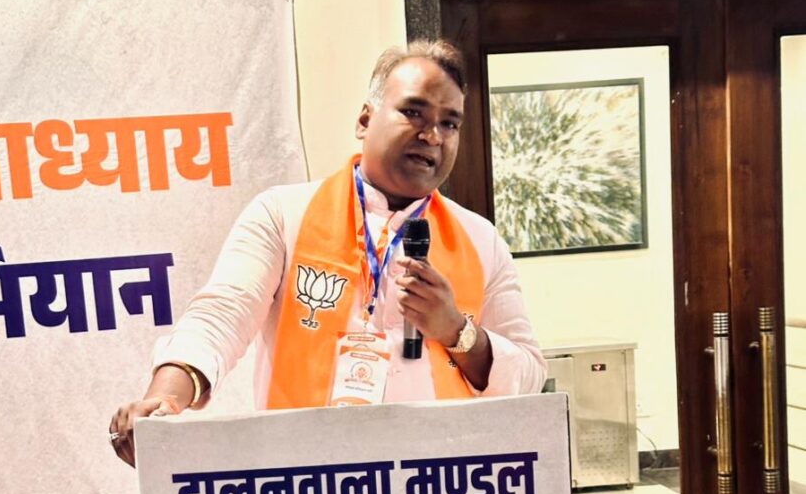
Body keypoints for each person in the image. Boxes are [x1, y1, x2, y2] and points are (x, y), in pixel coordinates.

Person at [108, 39, 546, 465]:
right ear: (365, 120)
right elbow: (221, 316)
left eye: (450, 123)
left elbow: (528, 374)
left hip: (436, 483)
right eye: (414, 112)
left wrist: (457, 331)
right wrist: (165, 397)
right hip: (308, 484)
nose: (432, 135)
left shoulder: (481, 239)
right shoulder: (284, 214)